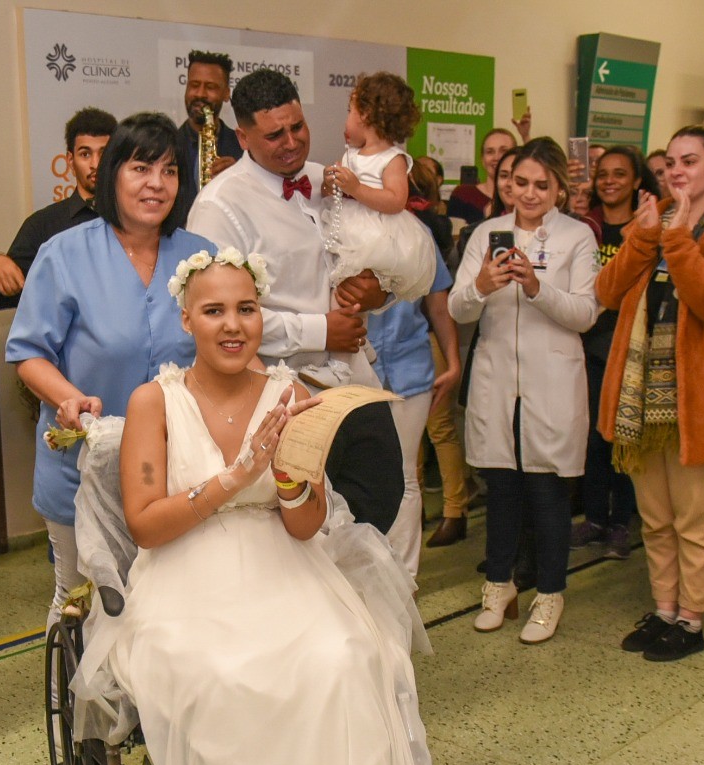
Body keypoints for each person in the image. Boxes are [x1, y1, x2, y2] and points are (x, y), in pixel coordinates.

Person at [76, 250, 448, 765]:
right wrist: (235, 471)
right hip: (188, 570)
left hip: (284, 561)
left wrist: (287, 481)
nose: (233, 324)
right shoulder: (154, 400)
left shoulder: (293, 391)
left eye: (245, 308)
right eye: (214, 311)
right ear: (188, 320)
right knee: (223, 676)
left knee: (345, 656)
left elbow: (307, 520)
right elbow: (147, 526)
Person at [8, 112, 215, 629]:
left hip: (175, 468)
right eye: (141, 168)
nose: (156, 184)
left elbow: (225, 349)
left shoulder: (201, 258)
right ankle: (73, 704)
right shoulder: (64, 254)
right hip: (81, 463)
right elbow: (29, 352)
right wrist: (67, 398)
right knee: (81, 600)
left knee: (165, 605)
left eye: (169, 171)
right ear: (112, 175)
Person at [187, 69, 404, 533]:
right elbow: (222, 318)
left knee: (379, 503)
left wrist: (378, 292)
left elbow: (370, 257)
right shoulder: (218, 206)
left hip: (356, 378)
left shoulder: (327, 180)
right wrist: (321, 329)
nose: (291, 143)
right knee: (306, 529)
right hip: (282, 394)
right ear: (242, 135)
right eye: (274, 135)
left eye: (297, 127)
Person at [596, 125, 704, 661]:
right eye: (671, 162)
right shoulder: (655, 218)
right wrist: (646, 235)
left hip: (703, 398)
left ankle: (692, 622)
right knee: (657, 516)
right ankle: (664, 609)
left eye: (690, 161)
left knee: (697, 518)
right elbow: (606, 291)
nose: (677, 172)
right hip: (642, 391)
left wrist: (677, 239)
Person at [451, 139, 600, 641]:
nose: (530, 193)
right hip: (497, 380)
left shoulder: (578, 237)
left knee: (548, 492)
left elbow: (584, 313)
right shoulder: (487, 234)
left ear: (560, 187)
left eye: (542, 184)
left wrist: (537, 288)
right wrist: (483, 286)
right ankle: (499, 587)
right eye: (521, 182)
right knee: (502, 490)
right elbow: (457, 309)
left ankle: (550, 594)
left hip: (552, 380)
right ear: (507, 182)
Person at [574, 145, 659, 559]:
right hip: (587, 346)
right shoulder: (583, 227)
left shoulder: (647, 230)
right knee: (591, 439)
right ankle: (593, 517)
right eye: (602, 173)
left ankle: (621, 522)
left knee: (623, 438)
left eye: (619, 174)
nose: (609, 181)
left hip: (629, 347)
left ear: (637, 180)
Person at [370, 236, 460, 575]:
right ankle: (368, 572)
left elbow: (438, 304)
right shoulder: (334, 221)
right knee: (361, 476)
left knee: (405, 475)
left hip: (409, 367)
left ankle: (404, 578)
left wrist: (452, 362)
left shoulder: (416, 233)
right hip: (353, 369)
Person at [322, 73, 437, 318]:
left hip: (374, 234)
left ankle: (355, 340)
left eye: (349, 110)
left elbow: (396, 200)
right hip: (345, 227)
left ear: (364, 114)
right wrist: (330, 184)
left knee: (354, 294)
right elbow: (337, 195)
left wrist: (357, 189)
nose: (346, 119)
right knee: (338, 290)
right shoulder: (350, 154)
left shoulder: (392, 158)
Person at [0, 107, 115, 310]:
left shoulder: (135, 219)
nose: (95, 164)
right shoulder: (43, 225)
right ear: (70, 160)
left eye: (104, 153)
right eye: (85, 154)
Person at [173, 49, 242, 218]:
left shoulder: (244, 149)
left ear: (227, 93)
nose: (200, 94)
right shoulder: (166, 145)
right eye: (194, 85)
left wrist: (241, 180)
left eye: (210, 87)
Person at [447, 127, 517, 226]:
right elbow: (456, 239)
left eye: (503, 151)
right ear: (482, 159)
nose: (496, 157)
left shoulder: (522, 197)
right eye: (490, 152)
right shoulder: (463, 194)